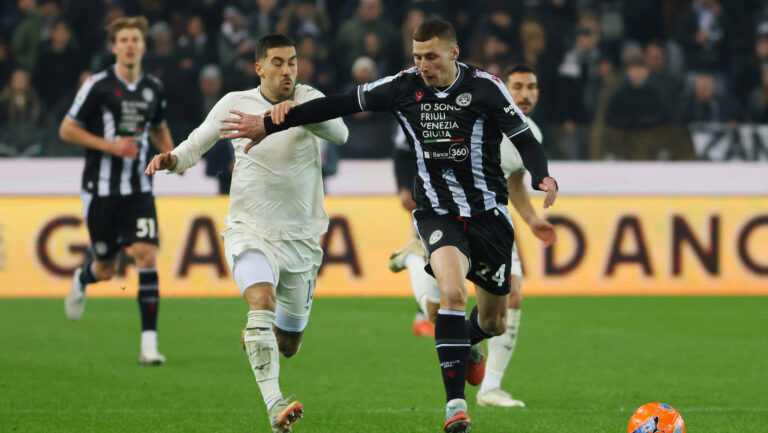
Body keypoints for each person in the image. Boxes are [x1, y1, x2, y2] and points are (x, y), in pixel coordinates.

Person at [217, 19, 558, 433]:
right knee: (450, 292)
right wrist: (271, 121)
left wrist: (543, 175)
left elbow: (523, 136)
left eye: (430, 56)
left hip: (488, 215)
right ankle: (455, 408)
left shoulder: (485, 87)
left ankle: (467, 342)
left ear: (453, 53)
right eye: (417, 57)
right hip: (437, 213)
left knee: (493, 323)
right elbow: (340, 103)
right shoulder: (403, 86)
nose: (422, 65)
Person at [145, 34, 347, 432]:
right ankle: (275, 405)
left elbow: (341, 135)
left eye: (292, 62)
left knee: (288, 344)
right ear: (259, 68)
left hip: (302, 238)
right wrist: (171, 160)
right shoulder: (235, 103)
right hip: (250, 228)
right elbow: (196, 144)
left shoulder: (308, 99)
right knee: (260, 298)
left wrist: (291, 115)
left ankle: (262, 337)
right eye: (277, 62)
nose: (287, 70)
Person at [389, 64, 557, 408]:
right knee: (440, 312)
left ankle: (490, 387)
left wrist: (530, 218)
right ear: (501, 89)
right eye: (517, 86)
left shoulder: (529, 133)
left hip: (492, 223)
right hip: (452, 221)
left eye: (532, 87)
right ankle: (411, 259)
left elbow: (514, 181)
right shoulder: (473, 116)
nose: (524, 94)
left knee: (509, 302)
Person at [59, 16, 174, 365]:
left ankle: (149, 346)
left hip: (139, 189)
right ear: (114, 47)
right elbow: (67, 129)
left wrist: (176, 158)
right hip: (101, 190)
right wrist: (111, 147)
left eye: (134, 39)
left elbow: (158, 128)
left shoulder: (154, 87)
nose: (128, 45)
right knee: (107, 269)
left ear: (142, 45)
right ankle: (83, 276)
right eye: (122, 39)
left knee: (146, 255)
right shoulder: (97, 85)